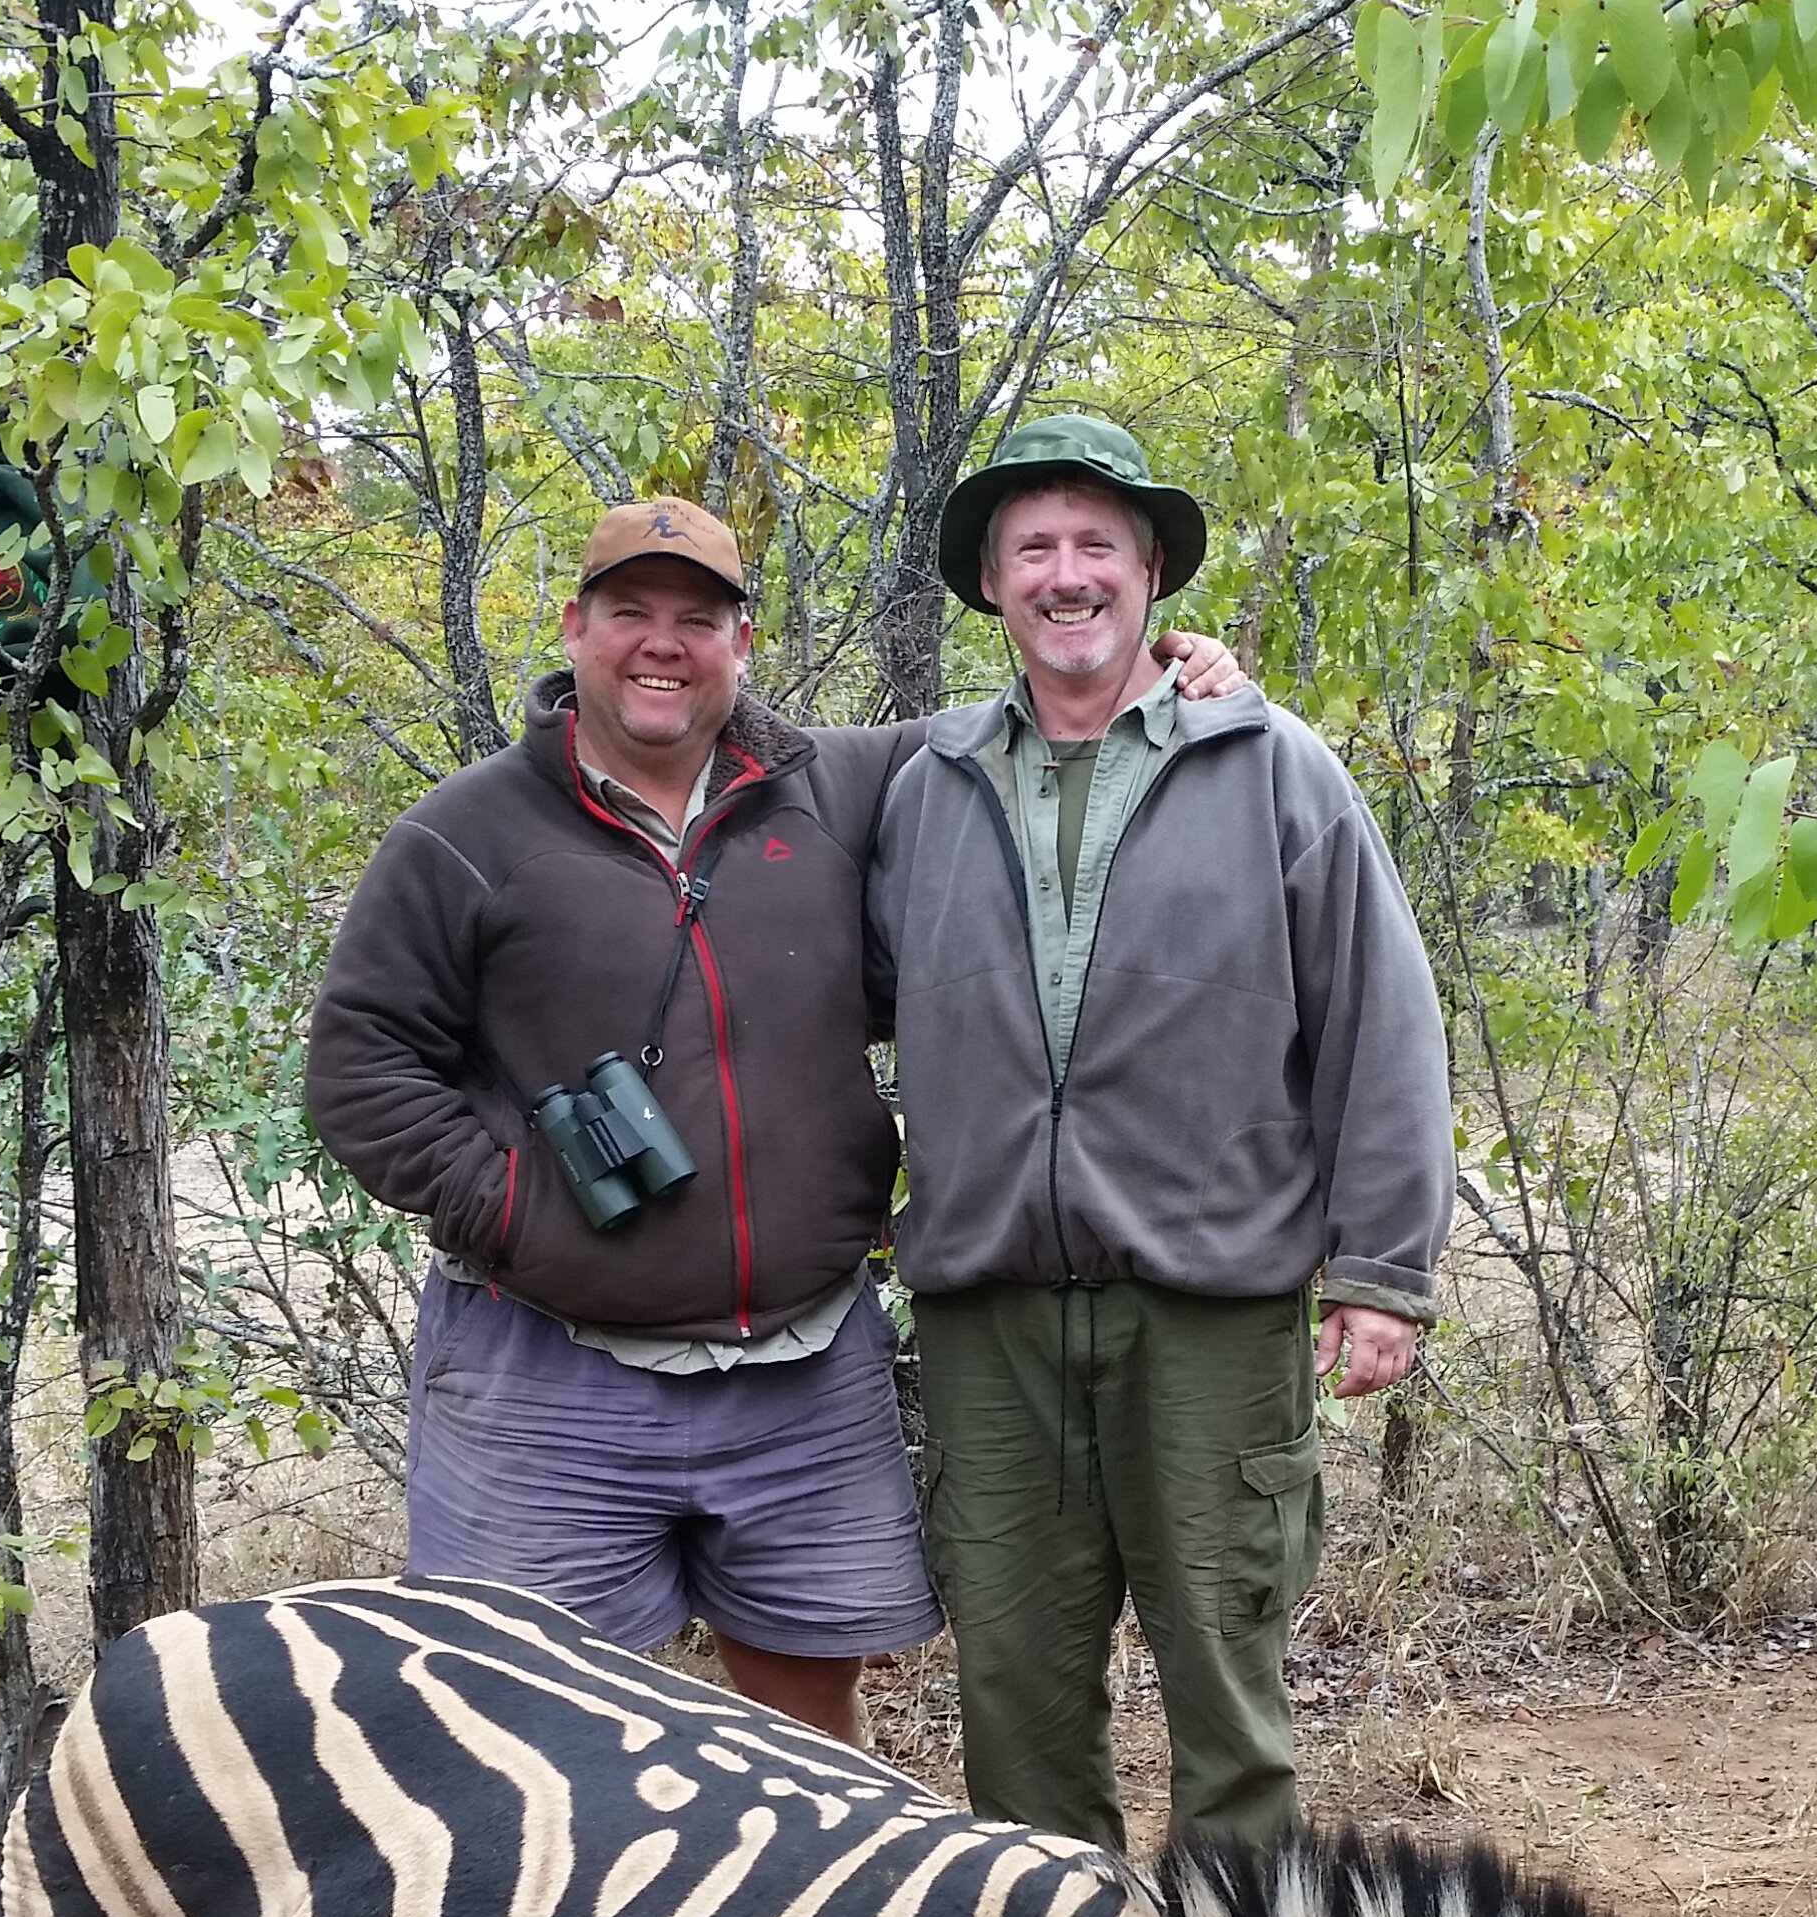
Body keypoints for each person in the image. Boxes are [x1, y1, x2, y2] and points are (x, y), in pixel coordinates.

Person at [303, 496, 1238, 1745]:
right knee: (523, 1739)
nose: (661, 645)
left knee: (812, 1736)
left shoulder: (840, 789)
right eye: (629, 613)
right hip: (545, 1374)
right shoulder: (464, 835)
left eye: (698, 619)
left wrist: (1169, 663)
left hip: (802, 1371)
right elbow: (361, 1070)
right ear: (574, 628)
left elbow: (1040, 716)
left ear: (744, 645)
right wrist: (514, 1208)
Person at [869, 414, 1453, 1848]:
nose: (1068, 577)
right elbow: (716, 750)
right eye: (1034, 550)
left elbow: (1380, 1021)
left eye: (1096, 548)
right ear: (992, 584)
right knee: (1011, 1699)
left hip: (1211, 1310)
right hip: (987, 1315)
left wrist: (1382, 1273)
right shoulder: (919, 783)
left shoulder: (1270, 764)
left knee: (1226, 1692)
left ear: (1150, 575)